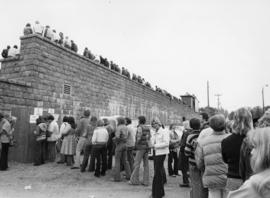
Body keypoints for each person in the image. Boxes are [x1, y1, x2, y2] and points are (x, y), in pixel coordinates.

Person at [227, 127, 270, 198]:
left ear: (264, 151)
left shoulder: (255, 185)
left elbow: (241, 168)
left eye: (255, 147)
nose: (252, 152)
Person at [196, 114, 230, 198]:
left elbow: (199, 164)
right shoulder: (231, 139)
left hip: (211, 178)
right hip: (229, 178)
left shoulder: (202, 142)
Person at [222, 107, 253, 191]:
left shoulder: (226, 141)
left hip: (233, 179)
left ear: (234, 120)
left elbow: (225, 160)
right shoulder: (256, 140)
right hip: (252, 179)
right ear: (250, 120)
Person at [185, 118, 208, 198]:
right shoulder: (204, 134)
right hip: (203, 162)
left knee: (195, 184)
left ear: (191, 126)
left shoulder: (190, 136)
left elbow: (187, 152)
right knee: (203, 183)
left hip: (193, 163)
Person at [149, 117, 169, 198]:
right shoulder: (154, 132)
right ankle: (160, 192)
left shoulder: (164, 131)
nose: (154, 126)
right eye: (153, 124)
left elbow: (166, 143)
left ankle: (156, 193)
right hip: (155, 153)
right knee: (158, 173)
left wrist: (155, 146)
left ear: (159, 123)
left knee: (157, 173)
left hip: (161, 153)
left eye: (155, 124)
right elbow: (152, 141)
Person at [129, 116, 151, 186]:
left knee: (137, 164)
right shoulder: (148, 127)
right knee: (146, 165)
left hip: (140, 148)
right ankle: (146, 181)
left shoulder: (139, 127)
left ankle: (134, 180)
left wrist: (136, 145)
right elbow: (149, 137)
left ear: (139, 120)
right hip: (146, 147)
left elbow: (139, 137)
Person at [113, 117, 131, 182]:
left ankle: (117, 178)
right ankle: (129, 175)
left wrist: (114, 140)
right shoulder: (126, 127)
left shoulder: (119, 127)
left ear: (119, 121)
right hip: (125, 144)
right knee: (125, 161)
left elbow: (117, 136)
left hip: (120, 144)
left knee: (117, 161)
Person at [179, 119, 191, 187]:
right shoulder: (191, 132)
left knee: (184, 168)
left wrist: (181, 150)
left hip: (184, 152)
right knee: (188, 167)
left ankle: (185, 182)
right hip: (189, 152)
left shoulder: (186, 132)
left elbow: (183, 144)